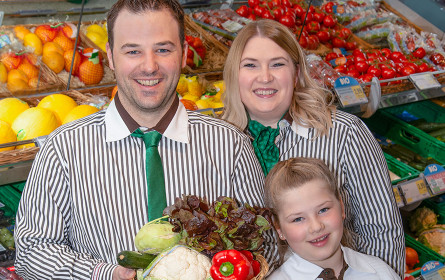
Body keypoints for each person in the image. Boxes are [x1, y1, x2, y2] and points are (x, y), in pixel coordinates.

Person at [14, 0, 267, 279]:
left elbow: (266, 248)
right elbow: (32, 251)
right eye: (133, 50)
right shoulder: (63, 149)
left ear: (183, 54)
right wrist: (104, 274)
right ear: (110, 56)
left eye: (163, 49)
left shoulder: (230, 145)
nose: (149, 66)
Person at [221, 19, 404, 277]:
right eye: (250, 65)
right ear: (234, 74)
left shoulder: (344, 132)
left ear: (296, 74)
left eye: (278, 64)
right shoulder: (219, 144)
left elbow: (381, 230)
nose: (265, 77)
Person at [264, 157, 400, 279]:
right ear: (279, 228)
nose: (316, 227)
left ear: (341, 206)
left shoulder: (380, 272)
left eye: (323, 210)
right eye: (298, 219)